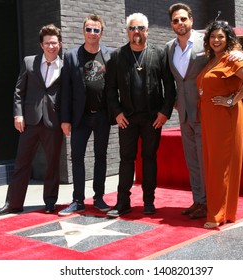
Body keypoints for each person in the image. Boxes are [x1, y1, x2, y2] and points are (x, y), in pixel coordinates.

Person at [166, 3, 243, 219]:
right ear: (171, 24)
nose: (180, 23)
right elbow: (176, 80)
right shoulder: (169, 47)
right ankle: (199, 201)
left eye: (183, 19)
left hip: (207, 111)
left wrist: (240, 54)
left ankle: (212, 203)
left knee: (207, 162)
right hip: (184, 113)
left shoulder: (207, 39)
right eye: (175, 20)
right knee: (193, 162)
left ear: (191, 20)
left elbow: (228, 47)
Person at [106, 12, 176, 217]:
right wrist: (117, 113)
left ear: (147, 31)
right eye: (132, 28)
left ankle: (148, 201)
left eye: (140, 28)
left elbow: (169, 87)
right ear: (127, 32)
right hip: (126, 118)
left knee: (149, 158)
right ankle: (122, 202)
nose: (136, 32)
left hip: (152, 118)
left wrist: (164, 112)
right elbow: (110, 89)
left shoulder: (159, 53)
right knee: (126, 159)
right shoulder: (117, 56)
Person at [0, 24, 63, 216]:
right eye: (47, 43)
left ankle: (49, 202)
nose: (51, 46)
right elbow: (18, 91)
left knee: (52, 165)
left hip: (53, 122)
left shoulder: (66, 66)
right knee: (21, 163)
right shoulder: (29, 62)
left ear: (60, 44)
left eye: (54, 43)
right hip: (29, 121)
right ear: (41, 45)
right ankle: (13, 204)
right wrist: (18, 114)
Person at [196, 21, 243, 229]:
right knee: (213, 164)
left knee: (220, 166)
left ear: (228, 39)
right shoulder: (212, 60)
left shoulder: (232, 58)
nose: (216, 40)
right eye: (213, 36)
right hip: (211, 119)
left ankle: (218, 214)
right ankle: (222, 210)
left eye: (221, 36)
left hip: (225, 119)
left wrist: (233, 100)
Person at [58, 14, 113, 216]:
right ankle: (77, 200)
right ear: (83, 32)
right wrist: (65, 119)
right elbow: (65, 90)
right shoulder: (71, 56)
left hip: (102, 116)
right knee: (77, 157)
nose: (92, 33)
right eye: (88, 29)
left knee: (101, 157)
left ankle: (98, 198)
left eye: (96, 30)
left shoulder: (110, 55)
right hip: (79, 117)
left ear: (101, 32)